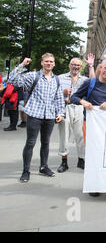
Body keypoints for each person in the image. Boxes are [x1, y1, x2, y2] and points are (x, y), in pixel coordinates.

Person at [70, 58, 106, 196]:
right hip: (91, 124)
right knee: (94, 155)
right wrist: (83, 102)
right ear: (101, 67)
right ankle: (94, 184)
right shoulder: (90, 83)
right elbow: (74, 97)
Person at [8, 54, 65, 183]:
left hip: (49, 116)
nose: (49, 63)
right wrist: (22, 65)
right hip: (34, 115)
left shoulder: (56, 80)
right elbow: (12, 80)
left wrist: (60, 113)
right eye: (46, 61)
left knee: (46, 143)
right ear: (42, 63)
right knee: (30, 143)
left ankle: (43, 167)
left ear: (54, 64)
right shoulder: (33, 76)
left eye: (51, 61)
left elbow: (59, 98)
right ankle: (26, 171)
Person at [57, 57, 90, 173]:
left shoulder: (85, 80)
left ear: (81, 67)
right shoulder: (61, 78)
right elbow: (54, 93)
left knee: (80, 134)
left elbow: (95, 81)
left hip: (80, 108)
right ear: (69, 65)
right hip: (65, 107)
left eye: (78, 65)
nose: (76, 67)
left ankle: (81, 159)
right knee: (64, 134)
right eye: (73, 64)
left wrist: (90, 65)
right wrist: (63, 92)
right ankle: (64, 161)